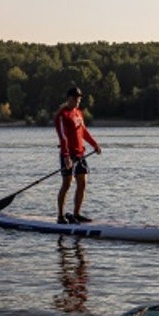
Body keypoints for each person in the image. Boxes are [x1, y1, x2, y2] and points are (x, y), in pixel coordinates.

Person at [55, 86, 101, 224]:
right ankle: (60, 216)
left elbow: (84, 132)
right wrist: (66, 156)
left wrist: (95, 145)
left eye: (79, 98)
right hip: (68, 154)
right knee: (67, 184)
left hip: (80, 154)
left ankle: (76, 214)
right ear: (69, 98)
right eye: (76, 98)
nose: (78, 101)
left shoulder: (79, 113)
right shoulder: (62, 116)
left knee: (82, 183)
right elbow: (63, 137)